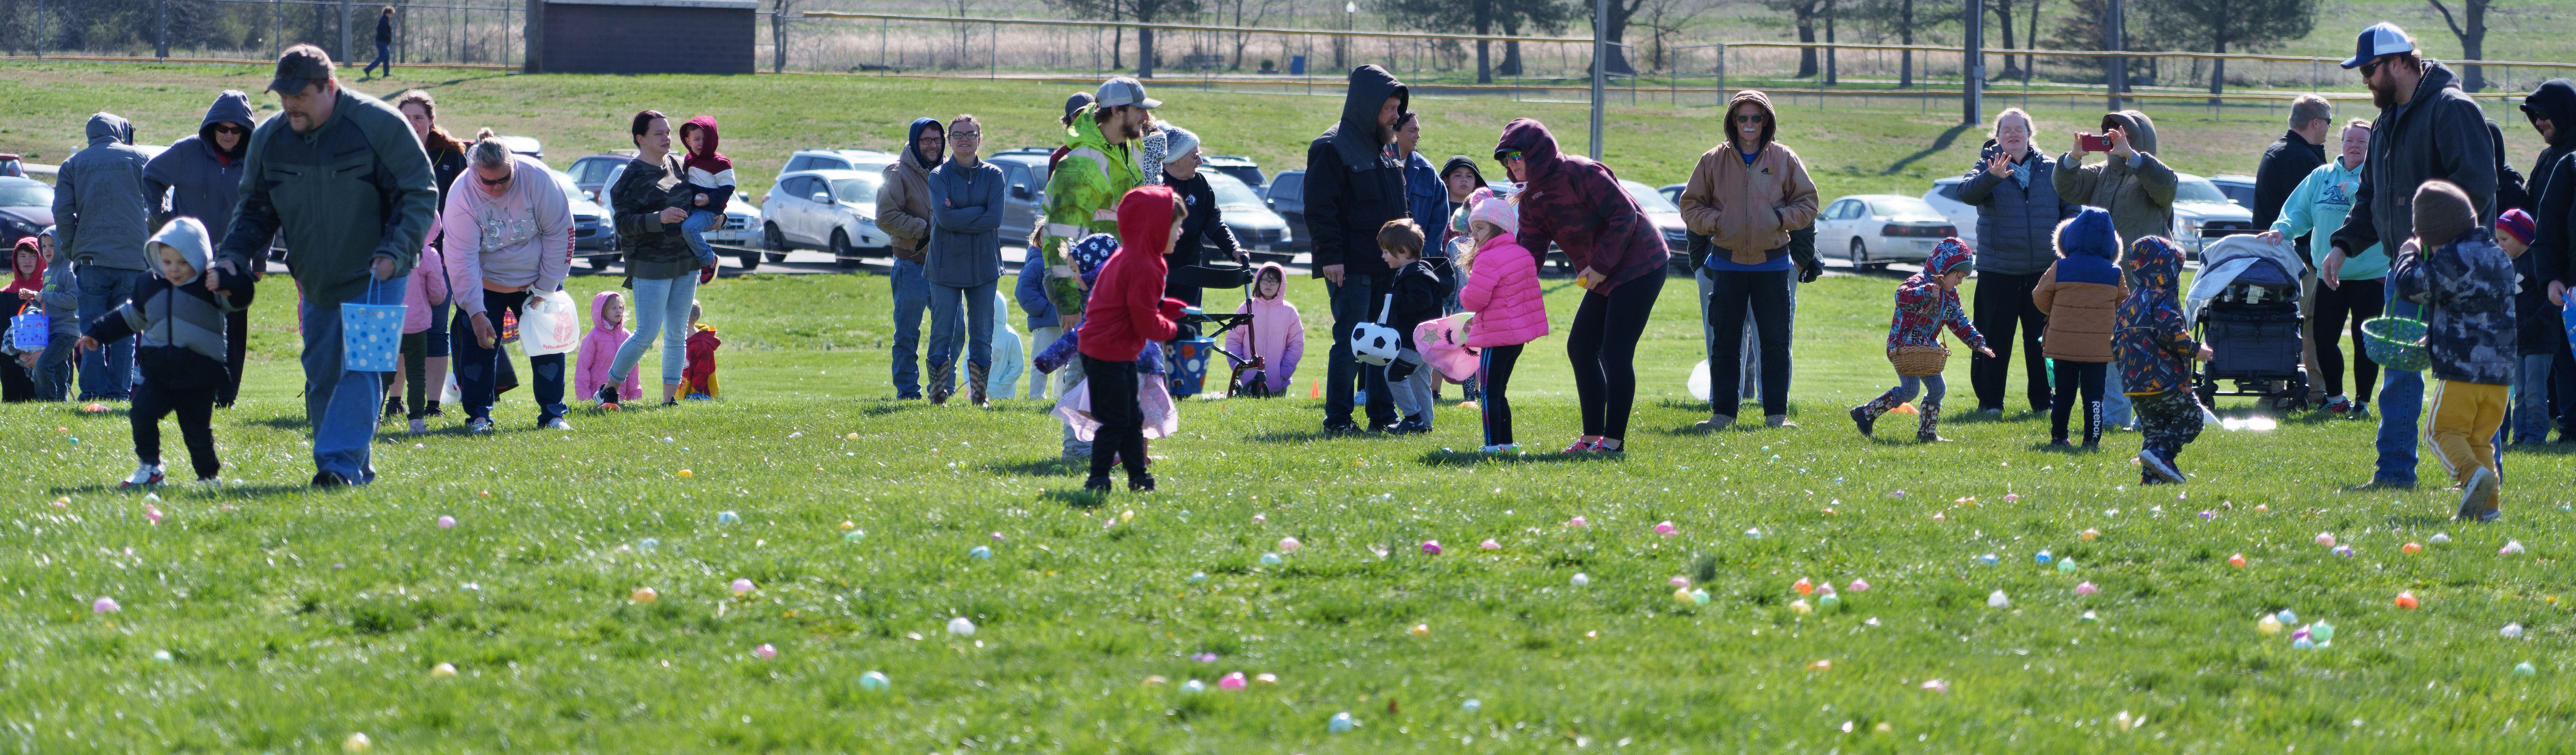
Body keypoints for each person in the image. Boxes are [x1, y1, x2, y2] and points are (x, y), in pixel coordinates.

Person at [216, 46, 438, 486]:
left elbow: (419, 193)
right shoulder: (270, 138)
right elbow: (255, 209)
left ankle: (336, 463)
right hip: (316, 278)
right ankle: (353, 468)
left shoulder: (378, 126)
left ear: (329, 87)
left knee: (366, 366)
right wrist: (232, 256)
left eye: (299, 94)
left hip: (379, 274)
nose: (289, 103)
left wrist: (395, 251)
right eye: (283, 94)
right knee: (322, 375)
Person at [2325, 22, 2498, 488]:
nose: (2363, 78)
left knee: (2468, 380)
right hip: (2406, 271)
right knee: (2400, 373)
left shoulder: (2452, 109)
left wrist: (2431, 240)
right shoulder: (2385, 122)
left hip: (2460, 270)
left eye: (2368, 69)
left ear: (2399, 62)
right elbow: (2370, 197)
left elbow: (2478, 186)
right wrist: (2342, 246)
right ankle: (2394, 474)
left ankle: (2481, 479)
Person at [1499, 117, 1671, 453]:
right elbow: (1531, 250)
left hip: (1641, 263)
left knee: (1614, 351)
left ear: (1536, 153)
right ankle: (1591, 439)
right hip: (1602, 273)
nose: (1510, 164)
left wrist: (1601, 265)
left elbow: (1625, 215)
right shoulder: (1530, 199)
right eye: (1504, 158)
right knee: (1580, 348)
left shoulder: (1582, 172)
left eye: (1516, 155)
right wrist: (1510, 288)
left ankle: (1612, 444)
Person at [1677, 90, 1818, 431]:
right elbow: (1690, 205)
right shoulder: (1712, 160)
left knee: (1775, 342)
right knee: (1725, 343)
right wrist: (1716, 223)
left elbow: (1808, 204)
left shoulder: (1784, 158)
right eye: (1743, 118)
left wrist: (1778, 218)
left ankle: (1776, 416)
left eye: (1757, 118)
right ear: (1732, 122)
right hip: (1726, 265)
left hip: (1773, 264)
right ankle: (1722, 414)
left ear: (1767, 121)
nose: (1750, 124)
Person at [77, 218, 251, 486]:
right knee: (142, 414)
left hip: (199, 375)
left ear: (200, 258)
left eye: (182, 263)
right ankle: (151, 468)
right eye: (168, 262)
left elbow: (242, 297)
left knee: (197, 432)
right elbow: (130, 316)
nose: (174, 269)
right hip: (160, 373)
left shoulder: (211, 286)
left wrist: (230, 281)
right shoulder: (150, 284)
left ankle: (208, 476)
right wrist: (98, 333)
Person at [1038, 78, 1155, 454]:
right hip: (1088, 285)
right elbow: (1059, 237)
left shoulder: (1127, 152)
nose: (1145, 116)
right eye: (1138, 110)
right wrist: (1069, 302)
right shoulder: (1082, 164)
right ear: (1117, 111)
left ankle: (1118, 445)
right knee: (1085, 364)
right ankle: (1077, 448)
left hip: (1123, 282)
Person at [2391, 180, 2514, 520]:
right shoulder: (2498, 257)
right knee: (2479, 441)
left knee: (2441, 432)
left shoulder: (2454, 257)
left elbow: (2411, 287)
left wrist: (2408, 252)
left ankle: (2471, 476)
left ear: (2434, 232)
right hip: (2500, 377)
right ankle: (2487, 511)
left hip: (2462, 373)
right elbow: (2473, 309)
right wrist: (2436, 335)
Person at [1947, 107, 2078, 417]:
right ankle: (1990, 403)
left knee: (2043, 343)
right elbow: (1965, 193)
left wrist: (2067, 234)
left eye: (2018, 129)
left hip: (2043, 274)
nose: (2012, 134)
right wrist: (1990, 178)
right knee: (1992, 340)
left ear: (2029, 133)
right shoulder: (1985, 167)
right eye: (2005, 130)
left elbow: (2071, 206)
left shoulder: (2051, 168)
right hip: (1998, 271)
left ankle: (2043, 404)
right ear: (1997, 137)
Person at [443, 130, 575, 432]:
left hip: (536, 280)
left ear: (513, 165)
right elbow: (461, 258)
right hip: (487, 281)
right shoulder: (461, 195)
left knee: (547, 347)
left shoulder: (538, 179)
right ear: (475, 171)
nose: (498, 187)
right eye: (489, 182)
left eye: (505, 179)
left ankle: (553, 413)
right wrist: (475, 311)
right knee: (479, 347)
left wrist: (546, 286)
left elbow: (560, 232)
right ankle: (478, 415)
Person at [2054, 109, 2174, 428]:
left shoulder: (2151, 172)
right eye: (2109, 132)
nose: (2114, 137)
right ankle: (2112, 420)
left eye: (2123, 132)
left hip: (2146, 280)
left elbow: (2165, 188)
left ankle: (2147, 420)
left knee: (2147, 350)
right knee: (2110, 351)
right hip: (2107, 280)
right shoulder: (2099, 174)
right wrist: (2072, 158)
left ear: (2140, 140)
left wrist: (2134, 158)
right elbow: (2067, 188)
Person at [1306, 65, 1410, 434]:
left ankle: (1382, 416)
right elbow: (1321, 210)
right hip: (1350, 267)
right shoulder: (1331, 147)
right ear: (1369, 106)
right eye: (1390, 108)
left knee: (1383, 341)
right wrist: (1330, 256)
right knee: (1352, 341)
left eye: (1398, 108)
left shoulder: (1383, 151)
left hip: (1387, 266)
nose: (1396, 116)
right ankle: (1338, 419)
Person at [2259, 119, 2383, 418]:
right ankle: (2335, 398)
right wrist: (2282, 230)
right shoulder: (2321, 176)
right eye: (2349, 140)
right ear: (2340, 144)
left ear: (2372, 147)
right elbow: (2298, 210)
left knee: (2363, 339)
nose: (2354, 146)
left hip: (2370, 274)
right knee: (2324, 338)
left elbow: (2380, 213)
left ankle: (2363, 402)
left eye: (2362, 142)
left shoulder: (2380, 176)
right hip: (2329, 274)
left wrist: (2355, 191)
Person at [143, 91, 256, 407]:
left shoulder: (255, 160)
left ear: (246, 131)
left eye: (237, 130)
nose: (229, 135)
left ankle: (227, 397)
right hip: (189, 259)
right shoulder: (187, 152)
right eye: (223, 129)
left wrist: (259, 257)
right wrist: (165, 219)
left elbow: (266, 207)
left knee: (234, 330)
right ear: (212, 128)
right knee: (188, 326)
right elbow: (151, 177)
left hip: (235, 260)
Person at [1077, 186, 1188, 492]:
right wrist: (1171, 329)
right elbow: (1144, 322)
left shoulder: (1133, 257)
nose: (1180, 233)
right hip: (1107, 352)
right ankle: (1098, 477)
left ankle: (1138, 478)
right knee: (1116, 420)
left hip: (1112, 350)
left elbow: (1130, 305)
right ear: (1153, 228)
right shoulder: (1145, 266)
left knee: (1131, 417)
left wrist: (1164, 308)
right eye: (1176, 226)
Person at [604, 110, 716, 409]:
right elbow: (623, 224)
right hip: (650, 264)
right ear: (641, 139)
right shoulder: (630, 176)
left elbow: (703, 202)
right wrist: (659, 218)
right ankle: (610, 388)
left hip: (685, 261)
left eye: (668, 132)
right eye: (659, 133)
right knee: (647, 333)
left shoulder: (680, 165)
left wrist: (717, 218)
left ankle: (669, 401)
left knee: (678, 332)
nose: (667, 138)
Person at [1851, 238, 1992, 442]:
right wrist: (1925, 292)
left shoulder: (1952, 297)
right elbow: (1901, 296)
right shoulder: (1919, 281)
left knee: (1938, 389)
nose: (1960, 281)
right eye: (1959, 276)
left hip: (1926, 350)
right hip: (1903, 346)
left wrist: (1978, 343)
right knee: (1910, 390)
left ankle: (1927, 433)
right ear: (1945, 269)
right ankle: (1865, 414)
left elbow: (1959, 322)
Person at [56, 112, 153, 403]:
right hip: (133, 262)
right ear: (119, 132)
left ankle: (92, 392)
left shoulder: (73, 165)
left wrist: (73, 250)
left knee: (91, 328)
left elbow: (62, 214)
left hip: (91, 261)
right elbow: (158, 204)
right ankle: (119, 393)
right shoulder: (139, 158)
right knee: (125, 330)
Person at [392, 89, 468, 424]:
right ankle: (395, 400)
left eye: (419, 118)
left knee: (436, 329)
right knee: (398, 328)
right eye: (406, 118)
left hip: (443, 255)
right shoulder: (385, 152)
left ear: (431, 121)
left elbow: (467, 203)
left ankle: (433, 402)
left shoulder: (451, 156)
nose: (412, 124)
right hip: (396, 254)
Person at [2255, 95, 2335, 403]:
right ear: (2315, 123)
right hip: (2296, 260)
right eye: (2328, 122)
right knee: (2296, 324)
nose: (2329, 129)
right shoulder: (2299, 159)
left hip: (2282, 258)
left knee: (2301, 325)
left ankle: (2308, 390)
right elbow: (2308, 213)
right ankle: (2284, 393)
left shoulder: (2282, 151)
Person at [2116, 236, 2213, 484]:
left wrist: (2128, 371)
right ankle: (2162, 454)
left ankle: (2152, 477)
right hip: (2164, 380)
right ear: (2165, 271)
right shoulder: (2164, 298)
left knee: (2154, 429)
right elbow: (2170, 332)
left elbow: (2115, 341)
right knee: (2192, 416)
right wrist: (2196, 350)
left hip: (2134, 383)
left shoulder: (2129, 301)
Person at [926, 113, 1006, 407]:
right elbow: (944, 219)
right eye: (958, 135)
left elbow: (995, 219)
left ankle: (980, 395)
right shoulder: (939, 177)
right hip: (945, 266)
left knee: (983, 332)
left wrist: (962, 213)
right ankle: (937, 394)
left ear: (979, 139)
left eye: (970, 134)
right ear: (950, 140)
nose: (964, 139)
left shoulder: (994, 175)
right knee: (942, 331)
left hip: (984, 265)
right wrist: (978, 211)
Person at [1454, 192, 1544, 453]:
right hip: (1517, 338)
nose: (1475, 234)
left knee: (1489, 394)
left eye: (1480, 227)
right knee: (1499, 392)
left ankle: (1493, 446)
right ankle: (1507, 445)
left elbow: (1474, 300)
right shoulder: (1522, 254)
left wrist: (1463, 293)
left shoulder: (1488, 257)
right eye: (1473, 229)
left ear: (1499, 226)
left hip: (1496, 336)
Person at [2030, 208, 2125, 448]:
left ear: (2068, 239)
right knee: (2094, 396)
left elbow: (2040, 297)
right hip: (2099, 347)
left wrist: (2056, 311)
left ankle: (2059, 437)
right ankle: (2091, 440)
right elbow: (2124, 304)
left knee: (2064, 393)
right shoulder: (2114, 272)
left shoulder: (2060, 267)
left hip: (2064, 345)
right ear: (2111, 245)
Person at [2514, 79, 2576, 442]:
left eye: (2543, 115)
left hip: (2563, 272)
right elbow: (2543, 218)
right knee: (2560, 354)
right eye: (2533, 117)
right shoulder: (2551, 157)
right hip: (2550, 276)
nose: (2538, 123)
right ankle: (2567, 424)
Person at [880, 116, 943, 401]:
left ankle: (942, 389)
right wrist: (924, 229)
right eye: (926, 140)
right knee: (907, 334)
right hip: (911, 265)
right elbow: (885, 217)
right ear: (915, 142)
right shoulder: (898, 172)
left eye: (937, 140)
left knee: (953, 332)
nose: (933, 145)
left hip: (944, 268)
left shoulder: (947, 172)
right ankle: (908, 392)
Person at [1158, 124, 1247, 307]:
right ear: (1176, 159)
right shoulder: (1155, 182)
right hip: (1159, 268)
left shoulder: (1199, 182)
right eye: (1194, 156)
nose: (1200, 161)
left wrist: (1234, 249)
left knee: (1190, 324)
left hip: (1192, 268)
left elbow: (1213, 220)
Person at [1376, 219, 1444, 434]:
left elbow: (1422, 300)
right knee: (1420, 379)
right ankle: (1425, 424)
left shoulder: (1416, 276)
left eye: (1387, 252)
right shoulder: (1415, 272)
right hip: (1425, 343)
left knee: (1393, 374)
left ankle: (1413, 418)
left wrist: (1395, 300)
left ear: (1404, 251)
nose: (1383, 257)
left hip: (1416, 341)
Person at [2493, 209, 2550, 444]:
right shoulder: (2511, 266)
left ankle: (2536, 435)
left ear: (2522, 237)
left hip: (2540, 340)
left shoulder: (2539, 263)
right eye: (2498, 240)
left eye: (2505, 240)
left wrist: (2536, 324)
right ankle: (2521, 435)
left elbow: (2550, 302)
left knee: (2536, 391)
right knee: (2521, 392)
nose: (2501, 245)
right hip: (2518, 341)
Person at [1226, 262, 1306, 396]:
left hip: (1277, 384)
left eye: (1274, 281)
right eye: (1265, 280)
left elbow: (1296, 345)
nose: (1269, 284)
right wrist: (1239, 368)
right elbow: (1233, 340)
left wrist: (1285, 372)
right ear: (1258, 281)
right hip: (1247, 383)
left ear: (1282, 284)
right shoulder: (1247, 307)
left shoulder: (1290, 312)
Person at [21, 228, 77, 401]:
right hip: (51, 330)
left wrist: (45, 295)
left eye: (53, 245)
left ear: (62, 246)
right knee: (60, 370)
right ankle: (60, 404)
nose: (47, 250)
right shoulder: (48, 272)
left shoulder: (69, 270)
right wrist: (33, 297)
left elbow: (74, 300)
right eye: (44, 246)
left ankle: (47, 402)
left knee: (43, 365)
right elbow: (46, 303)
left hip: (67, 331)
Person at [675, 116, 734, 271]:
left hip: (709, 212)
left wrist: (710, 199)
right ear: (688, 142)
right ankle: (689, 262)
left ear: (713, 139)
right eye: (696, 139)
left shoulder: (720, 163)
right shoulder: (689, 159)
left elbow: (729, 188)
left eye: (705, 139)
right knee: (677, 226)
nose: (701, 143)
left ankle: (709, 260)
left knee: (689, 229)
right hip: (692, 209)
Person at [1398, 114, 1452, 264]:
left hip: (1418, 262)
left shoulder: (1427, 171)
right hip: (1382, 260)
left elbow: (1440, 217)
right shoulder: (1378, 164)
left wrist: (1425, 253)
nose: (1418, 136)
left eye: (1418, 130)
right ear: (1395, 132)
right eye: (1413, 131)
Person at [575, 290, 641, 406]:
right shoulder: (594, 337)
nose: (619, 311)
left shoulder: (627, 337)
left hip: (620, 399)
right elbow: (583, 370)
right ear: (603, 311)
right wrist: (585, 401)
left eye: (621, 307)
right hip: (596, 398)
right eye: (614, 308)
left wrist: (634, 400)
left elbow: (633, 373)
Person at [1015, 244, 1061, 402]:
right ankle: (1036, 397)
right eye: (1044, 233)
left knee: (1065, 363)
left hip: (1066, 321)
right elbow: (1024, 291)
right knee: (1041, 362)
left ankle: (1060, 397)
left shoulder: (1065, 261)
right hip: (1045, 323)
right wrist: (1047, 310)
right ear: (1038, 239)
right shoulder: (1036, 263)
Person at [2, 238, 40, 401]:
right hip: (12, 361)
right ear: (15, 259)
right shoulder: (5, 295)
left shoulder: (49, 292)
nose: (27, 261)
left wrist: (40, 354)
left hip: (43, 359)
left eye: (33, 256)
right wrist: (20, 356)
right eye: (22, 256)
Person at [988, 290, 1025, 400]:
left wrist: (1001, 385)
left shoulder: (1010, 336)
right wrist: (970, 382)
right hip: (977, 392)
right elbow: (968, 359)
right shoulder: (980, 333)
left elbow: (1018, 366)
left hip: (1003, 395)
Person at [684, 302, 720, 399]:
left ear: (686, 317)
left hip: (700, 397)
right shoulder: (678, 339)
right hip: (681, 395)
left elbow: (701, 375)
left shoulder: (701, 346)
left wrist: (694, 398)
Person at [363, 6, 394, 78]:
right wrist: (388, 37)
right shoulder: (383, 21)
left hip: (384, 42)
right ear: (387, 14)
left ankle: (386, 73)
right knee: (382, 58)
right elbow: (382, 31)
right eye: (391, 14)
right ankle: (368, 69)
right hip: (382, 42)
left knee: (387, 58)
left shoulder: (385, 20)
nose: (392, 15)